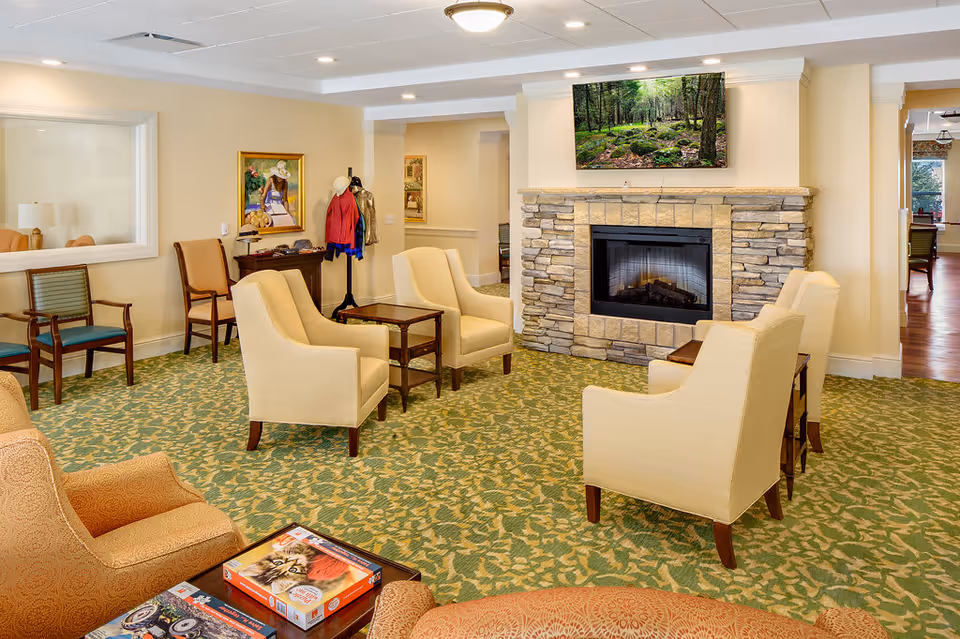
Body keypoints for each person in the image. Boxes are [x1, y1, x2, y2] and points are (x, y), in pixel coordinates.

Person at [260, 161, 296, 228]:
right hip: (269, 206)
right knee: (273, 222)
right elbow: (263, 195)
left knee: (287, 221)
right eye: (278, 176)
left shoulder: (285, 183)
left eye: (281, 176)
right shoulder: (270, 181)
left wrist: (287, 211)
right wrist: (262, 206)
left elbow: (285, 200)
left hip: (279, 207)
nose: (280, 178)